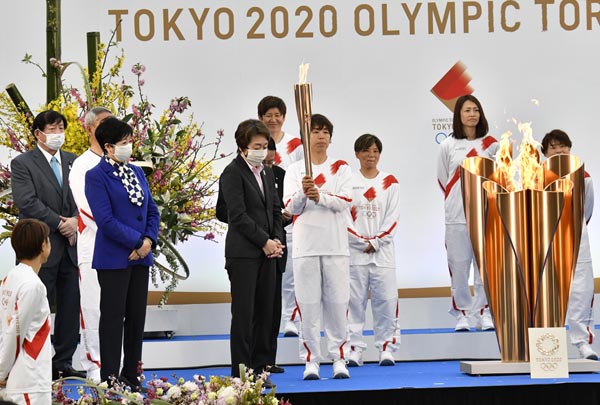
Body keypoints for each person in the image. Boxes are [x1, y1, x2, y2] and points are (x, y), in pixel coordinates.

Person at [85, 117, 159, 391]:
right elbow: (105, 220)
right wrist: (136, 242)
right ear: (108, 146)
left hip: (141, 256)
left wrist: (148, 241)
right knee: (113, 318)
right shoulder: (96, 176)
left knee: (137, 318)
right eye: (123, 142)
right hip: (115, 258)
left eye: (130, 141)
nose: (129, 146)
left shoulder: (136, 172)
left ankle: (132, 374)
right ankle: (111, 378)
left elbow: (152, 211)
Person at [10, 110, 84, 379]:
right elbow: (27, 201)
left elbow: (82, 196)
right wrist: (60, 223)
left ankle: (63, 362)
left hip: (71, 246)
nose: (58, 134)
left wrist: (75, 221)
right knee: (33, 307)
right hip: (39, 246)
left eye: (61, 128)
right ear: (38, 133)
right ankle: (28, 363)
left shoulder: (74, 161)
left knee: (70, 306)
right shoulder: (22, 163)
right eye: (52, 129)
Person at [283, 114, 353, 380]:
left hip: (335, 246)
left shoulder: (341, 168)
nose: (321, 136)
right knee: (308, 305)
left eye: (325, 132)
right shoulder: (294, 170)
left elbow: (345, 200)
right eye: (315, 131)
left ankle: (339, 358)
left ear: (330, 138)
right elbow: (289, 208)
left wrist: (319, 196)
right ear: (306, 136)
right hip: (306, 247)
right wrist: (303, 192)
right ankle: (311, 360)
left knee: (337, 304)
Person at [217, 119, 284, 388]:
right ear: (242, 147)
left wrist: (276, 239)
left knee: (265, 313)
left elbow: (275, 210)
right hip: (244, 254)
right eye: (256, 146)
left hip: (269, 253)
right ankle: (242, 373)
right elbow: (236, 215)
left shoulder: (266, 172)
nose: (261, 151)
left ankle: (261, 369)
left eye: (264, 146)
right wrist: (263, 241)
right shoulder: (232, 173)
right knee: (244, 315)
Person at [436, 95, 498, 332]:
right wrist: (458, 200)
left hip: (486, 215)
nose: (472, 114)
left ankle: (483, 313)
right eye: (467, 110)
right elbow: (442, 178)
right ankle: (462, 313)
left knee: (486, 268)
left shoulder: (492, 144)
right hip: (457, 216)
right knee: (459, 266)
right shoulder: (448, 145)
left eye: (476, 110)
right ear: (458, 115)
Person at [540, 129, 598, 360]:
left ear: (570, 149)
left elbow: (586, 208)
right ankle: (546, 347)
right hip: (545, 241)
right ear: (545, 152)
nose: (558, 151)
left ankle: (583, 343)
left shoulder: (583, 175)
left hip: (576, 240)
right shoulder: (534, 175)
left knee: (581, 291)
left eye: (562, 146)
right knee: (546, 293)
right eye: (553, 147)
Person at [346, 134, 401, 367]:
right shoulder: (348, 180)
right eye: (366, 151)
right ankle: (354, 349)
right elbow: (343, 216)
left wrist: (377, 242)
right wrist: (360, 242)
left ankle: (387, 348)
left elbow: (393, 217)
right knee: (353, 303)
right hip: (355, 254)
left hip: (383, 254)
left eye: (376, 151)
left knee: (386, 301)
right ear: (357, 154)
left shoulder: (390, 181)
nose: (371, 155)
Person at [68, 106, 112, 383]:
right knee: (93, 308)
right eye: (104, 123)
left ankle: (118, 366)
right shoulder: (82, 165)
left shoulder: (118, 162)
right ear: (90, 129)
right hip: (94, 247)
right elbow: (87, 210)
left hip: (121, 249)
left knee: (117, 310)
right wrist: (119, 230)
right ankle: (95, 367)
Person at [258, 96, 304, 337]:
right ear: (261, 118)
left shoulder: (296, 145)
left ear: (284, 117)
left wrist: (291, 208)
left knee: (291, 273)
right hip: (263, 219)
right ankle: (267, 321)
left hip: (289, 217)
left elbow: (302, 177)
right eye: (268, 115)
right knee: (269, 274)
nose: (273, 119)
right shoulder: (256, 143)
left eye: (277, 115)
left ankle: (290, 320)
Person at [0, 219, 53, 404]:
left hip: (21, 380)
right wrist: (1, 372)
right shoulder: (33, 285)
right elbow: (15, 333)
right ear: (43, 245)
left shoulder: (10, 278)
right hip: (29, 381)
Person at [263, 138, 292, 374]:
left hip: (278, 246)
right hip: (254, 247)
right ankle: (253, 362)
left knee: (273, 308)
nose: (269, 166)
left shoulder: (282, 175)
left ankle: (269, 359)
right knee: (257, 309)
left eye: (272, 162)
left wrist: (285, 218)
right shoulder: (241, 175)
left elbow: (284, 208)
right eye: (266, 162)